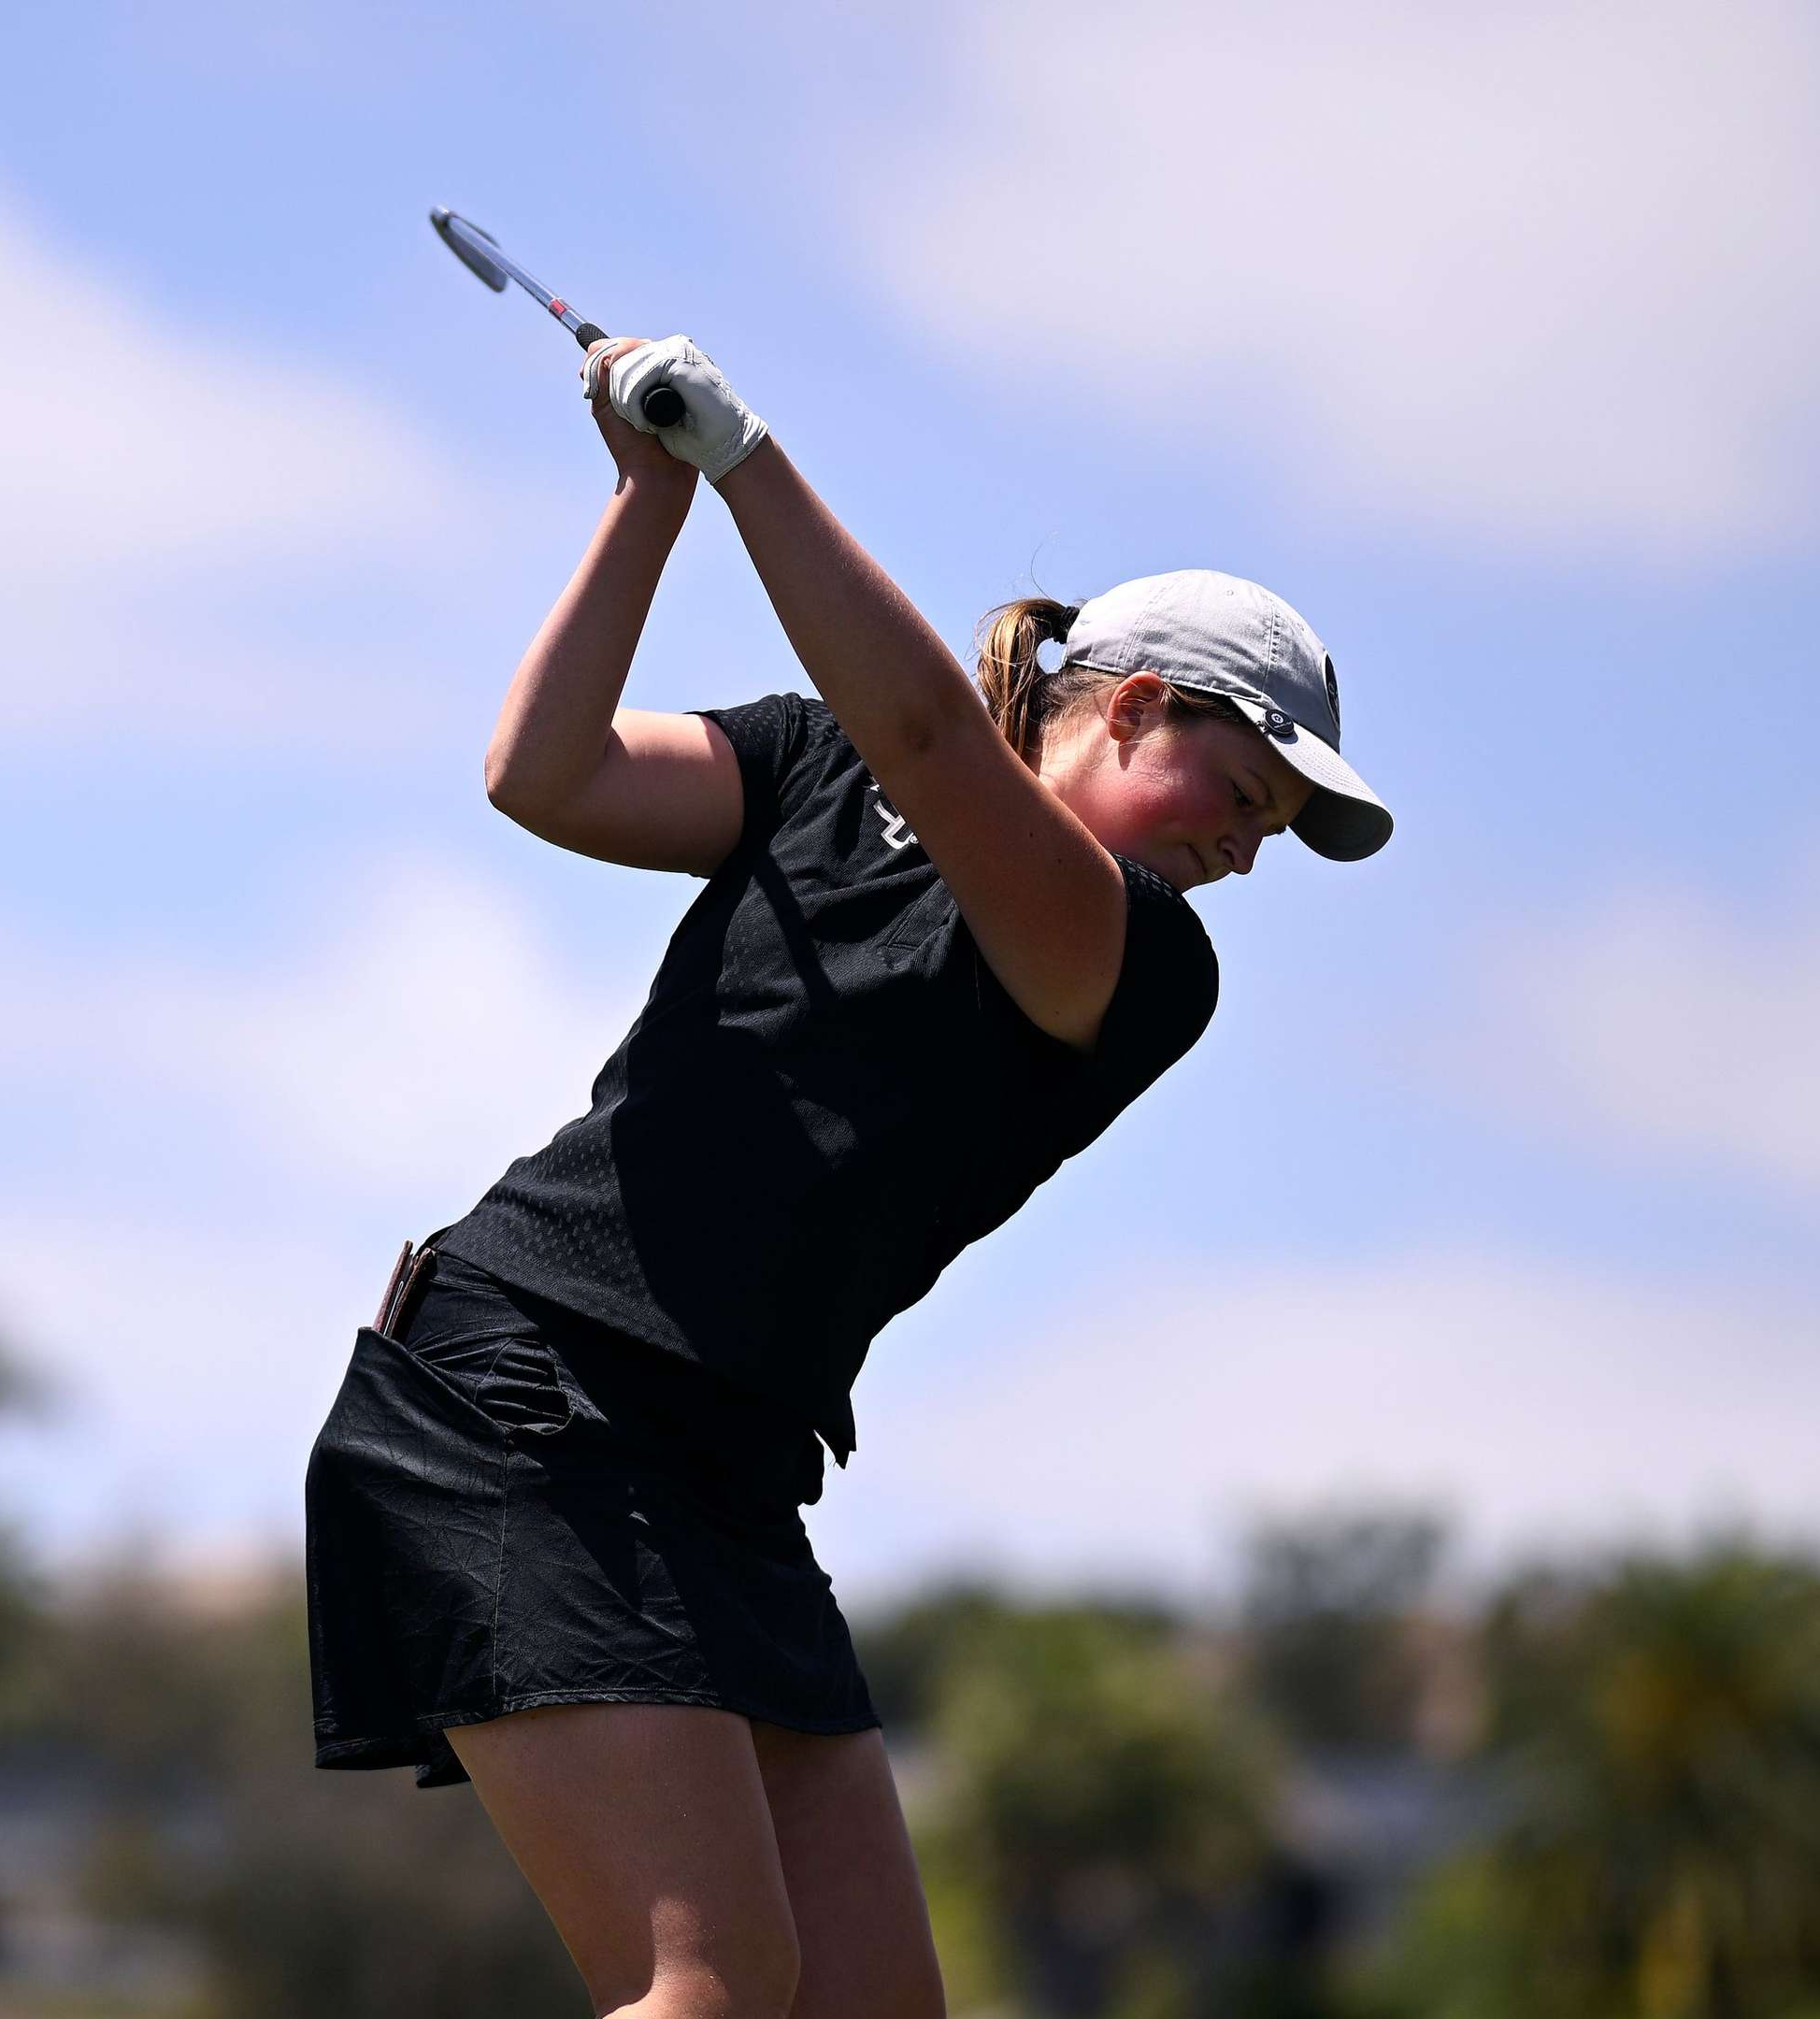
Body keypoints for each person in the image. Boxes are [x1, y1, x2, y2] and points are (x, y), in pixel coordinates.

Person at [300, 332, 1392, 2016]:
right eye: (1239, 794)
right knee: (713, 1988)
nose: (1241, 850)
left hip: (728, 1475)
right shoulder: (818, 766)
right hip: (534, 1390)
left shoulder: (1145, 963)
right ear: (1137, 703)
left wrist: (751, 457)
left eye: (1265, 838)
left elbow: (945, 759)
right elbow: (547, 772)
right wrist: (655, 497)